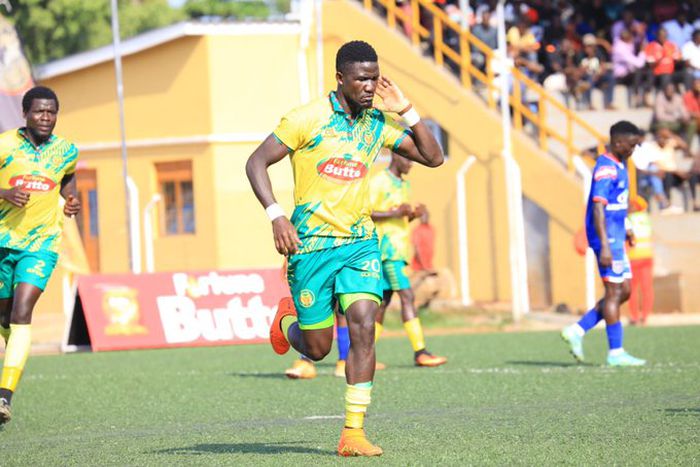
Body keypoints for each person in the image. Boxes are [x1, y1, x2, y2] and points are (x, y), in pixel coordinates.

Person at [245, 40, 444, 456]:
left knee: (363, 326)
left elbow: (433, 157)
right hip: (311, 247)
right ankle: (287, 322)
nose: (370, 87)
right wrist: (277, 216)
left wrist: (406, 109)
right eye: (361, 79)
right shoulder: (306, 118)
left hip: (359, 244)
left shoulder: (377, 123)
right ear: (340, 78)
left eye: (375, 78)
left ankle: (353, 432)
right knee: (317, 348)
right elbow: (256, 162)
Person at [0, 86, 80, 423]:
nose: (46, 117)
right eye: (39, 111)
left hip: (41, 244)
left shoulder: (67, 151)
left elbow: (68, 181)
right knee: (4, 318)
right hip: (3, 241)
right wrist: (4, 192)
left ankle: (4, 396)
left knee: (22, 312)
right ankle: (11, 355)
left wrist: (71, 201)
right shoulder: (5, 144)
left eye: (51, 112)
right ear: (25, 113)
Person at [561, 121, 646, 367]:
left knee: (624, 291)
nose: (633, 150)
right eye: (631, 145)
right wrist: (605, 246)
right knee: (614, 292)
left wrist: (627, 227)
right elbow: (598, 207)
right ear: (618, 143)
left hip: (617, 236)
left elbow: (618, 202)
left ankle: (577, 330)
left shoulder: (621, 163)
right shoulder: (606, 168)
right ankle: (615, 352)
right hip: (607, 239)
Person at [369, 153, 447, 368]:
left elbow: (399, 217)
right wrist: (394, 213)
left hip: (399, 250)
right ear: (396, 156)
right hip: (388, 250)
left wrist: (412, 215)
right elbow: (365, 212)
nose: (412, 164)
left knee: (383, 304)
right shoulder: (378, 181)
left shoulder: (404, 185)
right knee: (407, 296)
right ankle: (420, 352)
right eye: (409, 159)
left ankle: (362, 355)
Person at [627, 196, 654, 326]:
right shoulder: (646, 219)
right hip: (647, 257)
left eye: (631, 205)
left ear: (635, 207)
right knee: (646, 288)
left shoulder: (629, 219)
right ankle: (645, 316)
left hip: (633, 258)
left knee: (632, 289)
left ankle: (634, 316)